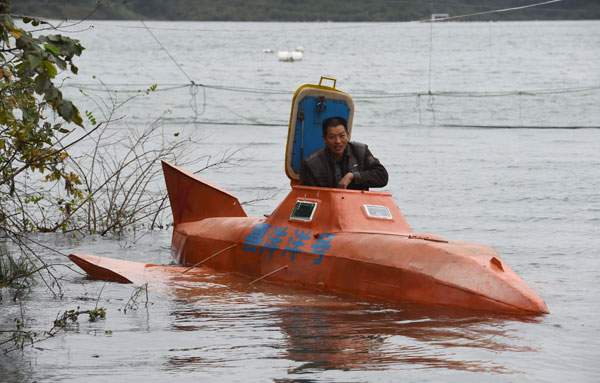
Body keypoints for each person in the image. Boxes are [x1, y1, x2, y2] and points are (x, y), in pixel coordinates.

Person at [300, 116, 388, 190]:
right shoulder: (311, 164)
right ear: (324, 139)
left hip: (356, 205)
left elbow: (382, 177)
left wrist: (353, 176)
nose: (338, 141)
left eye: (342, 136)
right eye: (332, 137)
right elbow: (308, 196)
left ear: (348, 135)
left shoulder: (360, 151)